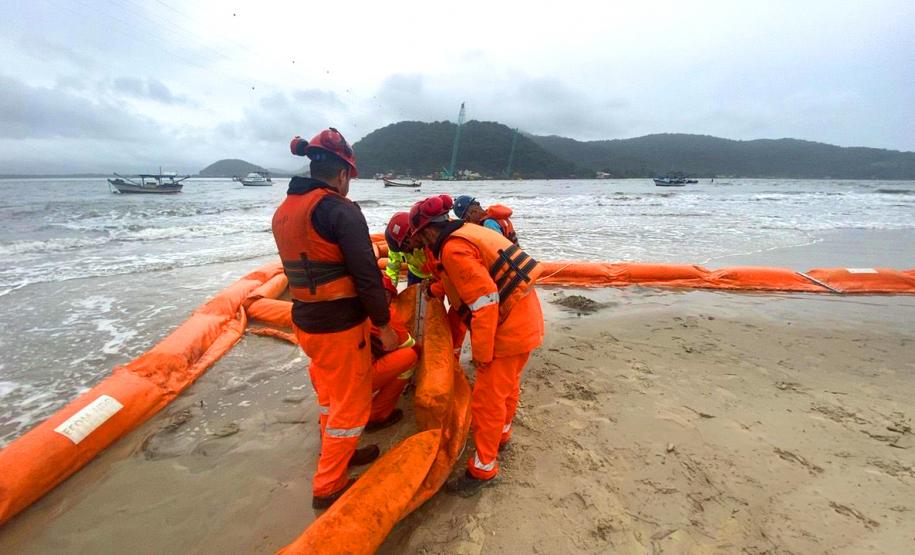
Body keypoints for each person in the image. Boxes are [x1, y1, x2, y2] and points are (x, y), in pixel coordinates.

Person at [272, 128, 401, 510]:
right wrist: (384, 325)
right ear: (343, 173)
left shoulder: (285, 210)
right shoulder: (340, 210)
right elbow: (365, 274)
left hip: (306, 320)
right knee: (351, 403)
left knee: (330, 396)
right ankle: (329, 483)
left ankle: (339, 453)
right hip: (340, 325)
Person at [408, 194, 544, 495]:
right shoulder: (465, 234)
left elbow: (485, 301)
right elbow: (464, 278)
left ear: (427, 230)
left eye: (419, 239)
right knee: (508, 386)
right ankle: (502, 435)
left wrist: (482, 355)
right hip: (526, 318)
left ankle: (483, 468)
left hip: (507, 329)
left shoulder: (453, 248)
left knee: (486, 400)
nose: (420, 247)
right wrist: (435, 288)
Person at [367, 275, 418, 429]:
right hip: (357, 379)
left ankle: (330, 419)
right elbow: (411, 346)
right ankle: (378, 415)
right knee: (409, 357)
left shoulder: (347, 310)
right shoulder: (386, 316)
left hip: (326, 378)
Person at [384, 212, 431, 286]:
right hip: (415, 274)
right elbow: (392, 269)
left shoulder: (428, 240)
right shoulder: (395, 247)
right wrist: (390, 288)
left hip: (435, 274)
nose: (404, 251)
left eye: (404, 247)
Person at [452, 195, 518, 244]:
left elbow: (499, 245)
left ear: (473, 212)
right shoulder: (494, 217)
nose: (470, 223)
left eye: (467, 219)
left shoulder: (488, 223)